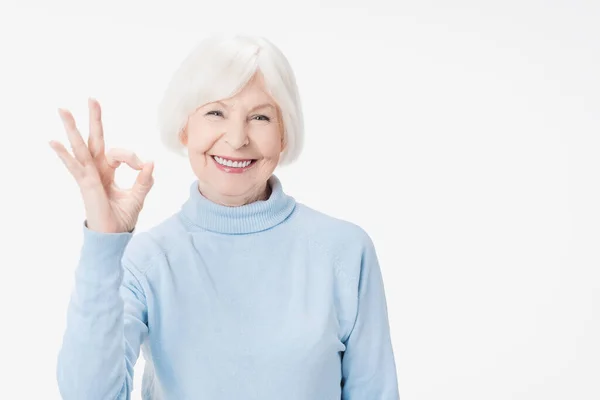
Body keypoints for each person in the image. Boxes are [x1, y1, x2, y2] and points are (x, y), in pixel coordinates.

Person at [51, 34, 399, 400]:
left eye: (260, 117)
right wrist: (103, 245)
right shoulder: (146, 262)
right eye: (216, 112)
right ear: (185, 127)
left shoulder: (344, 252)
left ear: (284, 135)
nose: (236, 139)